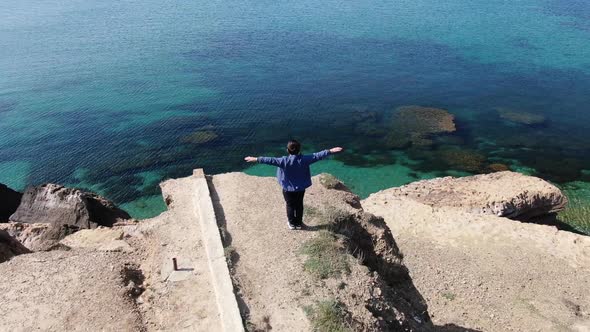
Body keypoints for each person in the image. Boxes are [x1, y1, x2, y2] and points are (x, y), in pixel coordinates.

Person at [244, 140, 343, 230]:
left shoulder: (283, 161)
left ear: (288, 150)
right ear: (299, 149)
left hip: (288, 189)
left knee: (290, 205)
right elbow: (317, 155)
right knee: (299, 205)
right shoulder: (305, 159)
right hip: (300, 188)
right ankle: (299, 224)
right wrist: (330, 151)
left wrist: (256, 159)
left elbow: (270, 160)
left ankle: (292, 224)